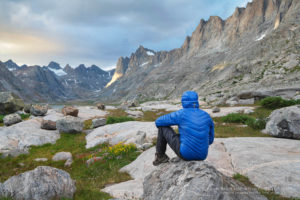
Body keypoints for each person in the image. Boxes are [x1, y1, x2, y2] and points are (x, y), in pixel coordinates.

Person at [153, 91, 214, 166]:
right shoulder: (207, 116)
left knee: (162, 127)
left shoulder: (181, 114)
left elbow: (158, 122)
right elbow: (210, 140)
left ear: (183, 101)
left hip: (186, 155)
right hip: (202, 156)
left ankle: (160, 157)